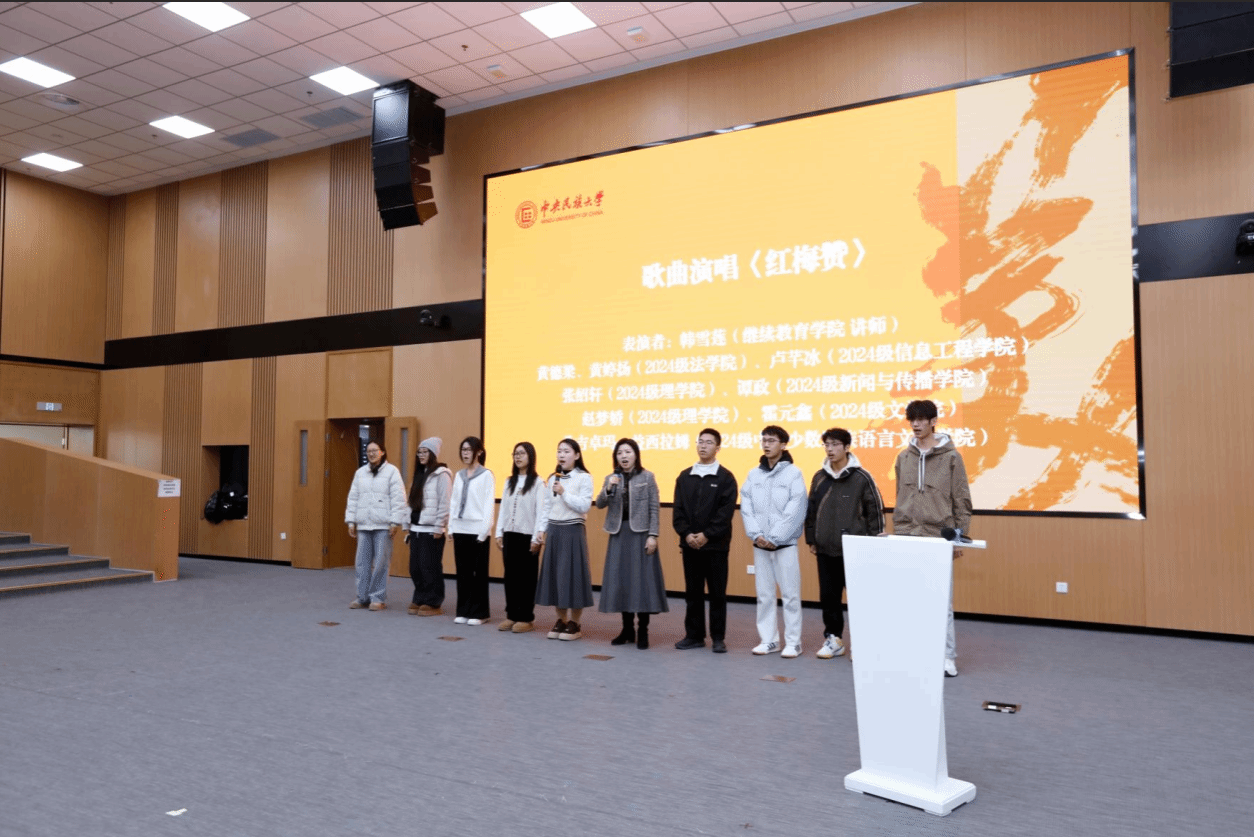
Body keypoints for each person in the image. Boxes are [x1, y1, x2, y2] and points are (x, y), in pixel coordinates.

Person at [893, 399, 973, 677]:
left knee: (941, 603)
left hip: (939, 537)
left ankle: (947, 656)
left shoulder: (952, 457)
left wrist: (959, 537)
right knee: (910, 601)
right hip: (907, 535)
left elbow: (961, 499)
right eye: (912, 419)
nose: (915, 424)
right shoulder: (903, 458)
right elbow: (901, 497)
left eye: (921, 419)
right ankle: (916, 653)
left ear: (933, 421)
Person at [804, 427, 884, 659]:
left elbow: (875, 511)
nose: (830, 449)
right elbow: (811, 510)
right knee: (829, 598)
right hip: (825, 548)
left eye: (835, 444)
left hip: (855, 549)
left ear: (847, 447)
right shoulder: (819, 477)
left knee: (860, 599)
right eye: (826, 444)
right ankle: (834, 639)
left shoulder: (861, 477)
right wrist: (812, 538)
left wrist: (875, 541)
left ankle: (863, 641)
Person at [741, 425, 808, 658]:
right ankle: (769, 640)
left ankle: (793, 642)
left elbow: (796, 508)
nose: (766, 444)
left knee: (790, 596)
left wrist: (775, 537)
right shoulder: (753, 474)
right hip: (760, 544)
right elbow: (746, 506)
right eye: (764, 440)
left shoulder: (794, 474)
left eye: (771, 440)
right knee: (765, 595)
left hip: (785, 545)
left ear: (783, 444)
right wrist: (756, 535)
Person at [595, 438, 665, 649]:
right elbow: (600, 504)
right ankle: (627, 630)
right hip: (619, 534)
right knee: (622, 583)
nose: (623, 456)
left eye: (627, 452)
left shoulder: (647, 476)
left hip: (641, 534)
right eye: (619, 453)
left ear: (636, 455)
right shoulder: (611, 478)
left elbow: (654, 508)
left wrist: (653, 535)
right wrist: (609, 488)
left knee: (641, 584)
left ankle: (643, 631)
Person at [672, 428, 739, 653]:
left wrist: (706, 534)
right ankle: (694, 636)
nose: (703, 446)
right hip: (689, 544)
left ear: (718, 448)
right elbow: (678, 510)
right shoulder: (684, 476)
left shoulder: (725, 477)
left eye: (709, 442)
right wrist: (686, 534)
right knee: (693, 593)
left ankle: (718, 638)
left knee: (717, 594)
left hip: (716, 546)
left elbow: (725, 513)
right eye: (700, 441)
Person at [534, 438, 595, 640]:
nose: (561, 455)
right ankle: (561, 620)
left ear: (577, 455)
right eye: (559, 451)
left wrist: (564, 492)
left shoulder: (584, 477)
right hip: (554, 530)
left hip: (573, 530)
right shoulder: (553, 478)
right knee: (556, 577)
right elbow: (547, 506)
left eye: (566, 451)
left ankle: (575, 623)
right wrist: (542, 528)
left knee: (573, 576)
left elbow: (584, 506)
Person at [494, 441, 551, 633]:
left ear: (530, 457)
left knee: (527, 578)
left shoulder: (538, 483)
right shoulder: (509, 481)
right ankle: (512, 615)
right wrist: (499, 532)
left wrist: (537, 538)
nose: (518, 457)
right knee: (510, 577)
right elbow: (503, 508)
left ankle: (526, 617)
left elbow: (541, 512)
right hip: (509, 534)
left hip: (528, 536)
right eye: (515, 454)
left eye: (522, 453)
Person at [345, 440, 407, 611]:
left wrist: (394, 522)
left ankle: (378, 598)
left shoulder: (392, 472)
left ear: (382, 452)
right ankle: (362, 596)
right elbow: (353, 498)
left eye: (375, 450)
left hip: (383, 525)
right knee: (361, 563)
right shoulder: (360, 473)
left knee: (381, 563)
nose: (371, 453)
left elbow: (398, 498)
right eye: (369, 451)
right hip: (364, 525)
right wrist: (351, 521)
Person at [448, 436, 495, 625]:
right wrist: (450, 526)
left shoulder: (487, 475)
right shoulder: (459, 475)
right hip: (460, 528)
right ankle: (463, 610)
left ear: (479, 452)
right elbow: (453, 502)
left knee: (478, 573)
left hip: (478, 530)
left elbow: (488, 505)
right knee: (463, 572)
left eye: (469, 450)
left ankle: (480, 613)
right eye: (463, 450)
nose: (465, 453)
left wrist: (484, 531)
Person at [406, 438, 452, 616]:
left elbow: (445, 503)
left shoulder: (442, 474)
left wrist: (439, 526)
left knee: (430, 567)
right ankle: (419, 598)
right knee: (415, 568)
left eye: (425, 451)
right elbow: (411, 502)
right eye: (419, 452)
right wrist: (406, 523)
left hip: (432, 530)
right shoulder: (419, 473)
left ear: (433, 454)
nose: (421, 455)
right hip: (416, 528)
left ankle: (433, 602)